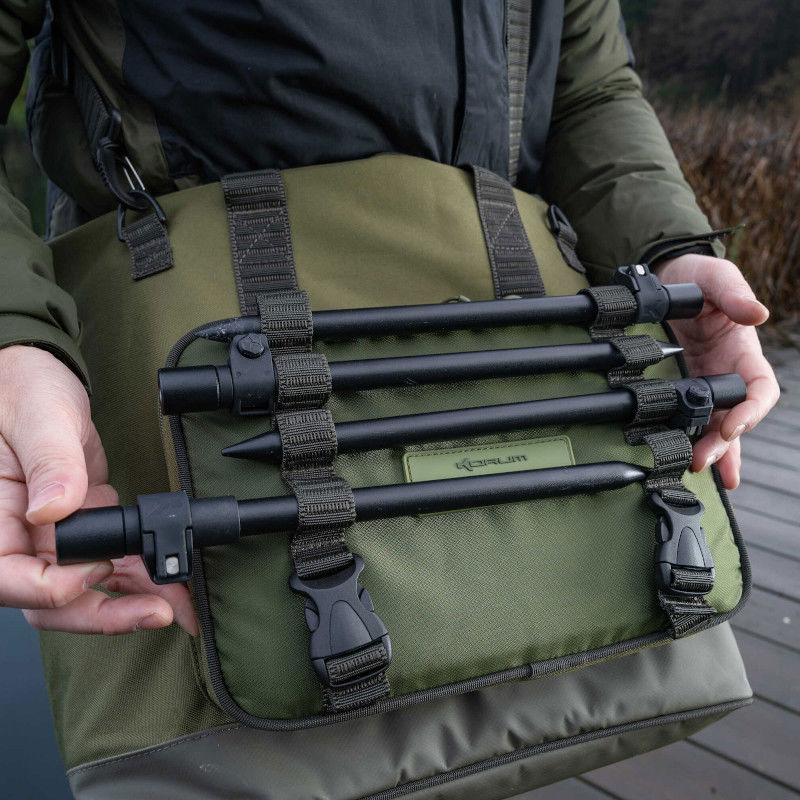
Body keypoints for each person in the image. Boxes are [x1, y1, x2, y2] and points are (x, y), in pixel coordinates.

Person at [0, 0, 778, 795]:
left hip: (518, 306)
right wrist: (14, 339)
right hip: (190, 323)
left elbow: (589, 86)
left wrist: (668, 252)